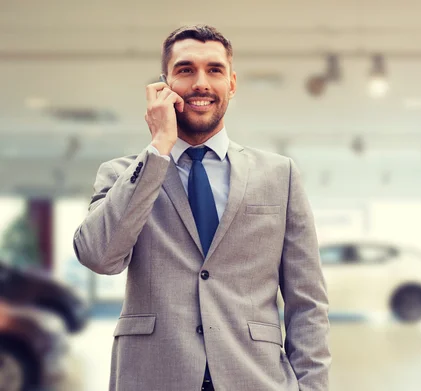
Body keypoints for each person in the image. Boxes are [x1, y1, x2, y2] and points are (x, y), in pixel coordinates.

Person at [73, 25, 331, 391]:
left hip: (255, 377)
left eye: (214, 70)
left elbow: (307, 301)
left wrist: (312, 387)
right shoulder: (123, 174)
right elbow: (99, 256)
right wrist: (159, 146)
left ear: (232, 83)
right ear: (164, 85)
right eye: (185, 70)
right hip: (153, 376)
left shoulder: (279, 175)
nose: (201, 83)